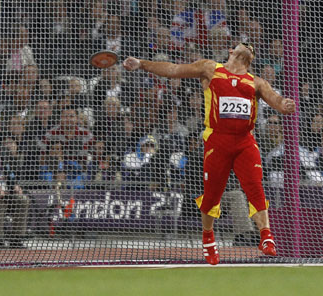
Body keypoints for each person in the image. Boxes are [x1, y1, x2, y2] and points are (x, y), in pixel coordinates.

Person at [123, 42, 296, 265]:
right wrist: (142, 64)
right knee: (212, 195)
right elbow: (174, 69)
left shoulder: (257, 82)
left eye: (251, 47)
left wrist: (285, 104)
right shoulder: (210, 69)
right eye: (243, 44)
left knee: (255, 186)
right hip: (217, 142)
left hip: (245, 142)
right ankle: (208, 236)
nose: (248, 46)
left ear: (251, 58)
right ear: (232, 51)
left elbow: (276, 101)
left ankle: (266, 236)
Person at [0, 115, 29, 249]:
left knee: (22, 199)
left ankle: (16, 238)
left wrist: (15, 185)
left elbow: (10, 171)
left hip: (6, 188)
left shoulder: (4, 149)